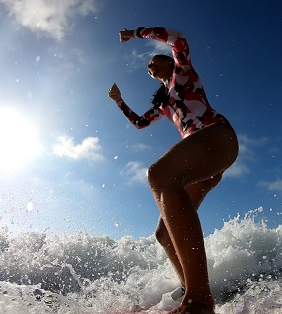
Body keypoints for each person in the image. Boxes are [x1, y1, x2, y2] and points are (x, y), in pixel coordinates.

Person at [108, 27, 239, 314]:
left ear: (169, 63)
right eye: (148, 67)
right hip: (203, 160)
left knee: (159, 175)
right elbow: (141, 123)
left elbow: (178, 39)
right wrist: (119, 102)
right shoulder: (164, 103)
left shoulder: (183, 72)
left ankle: (199, 301)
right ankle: (190, 290)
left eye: (155, 61)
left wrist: (135, 33)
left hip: (217, 136)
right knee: (164, 235)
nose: (150, 66)